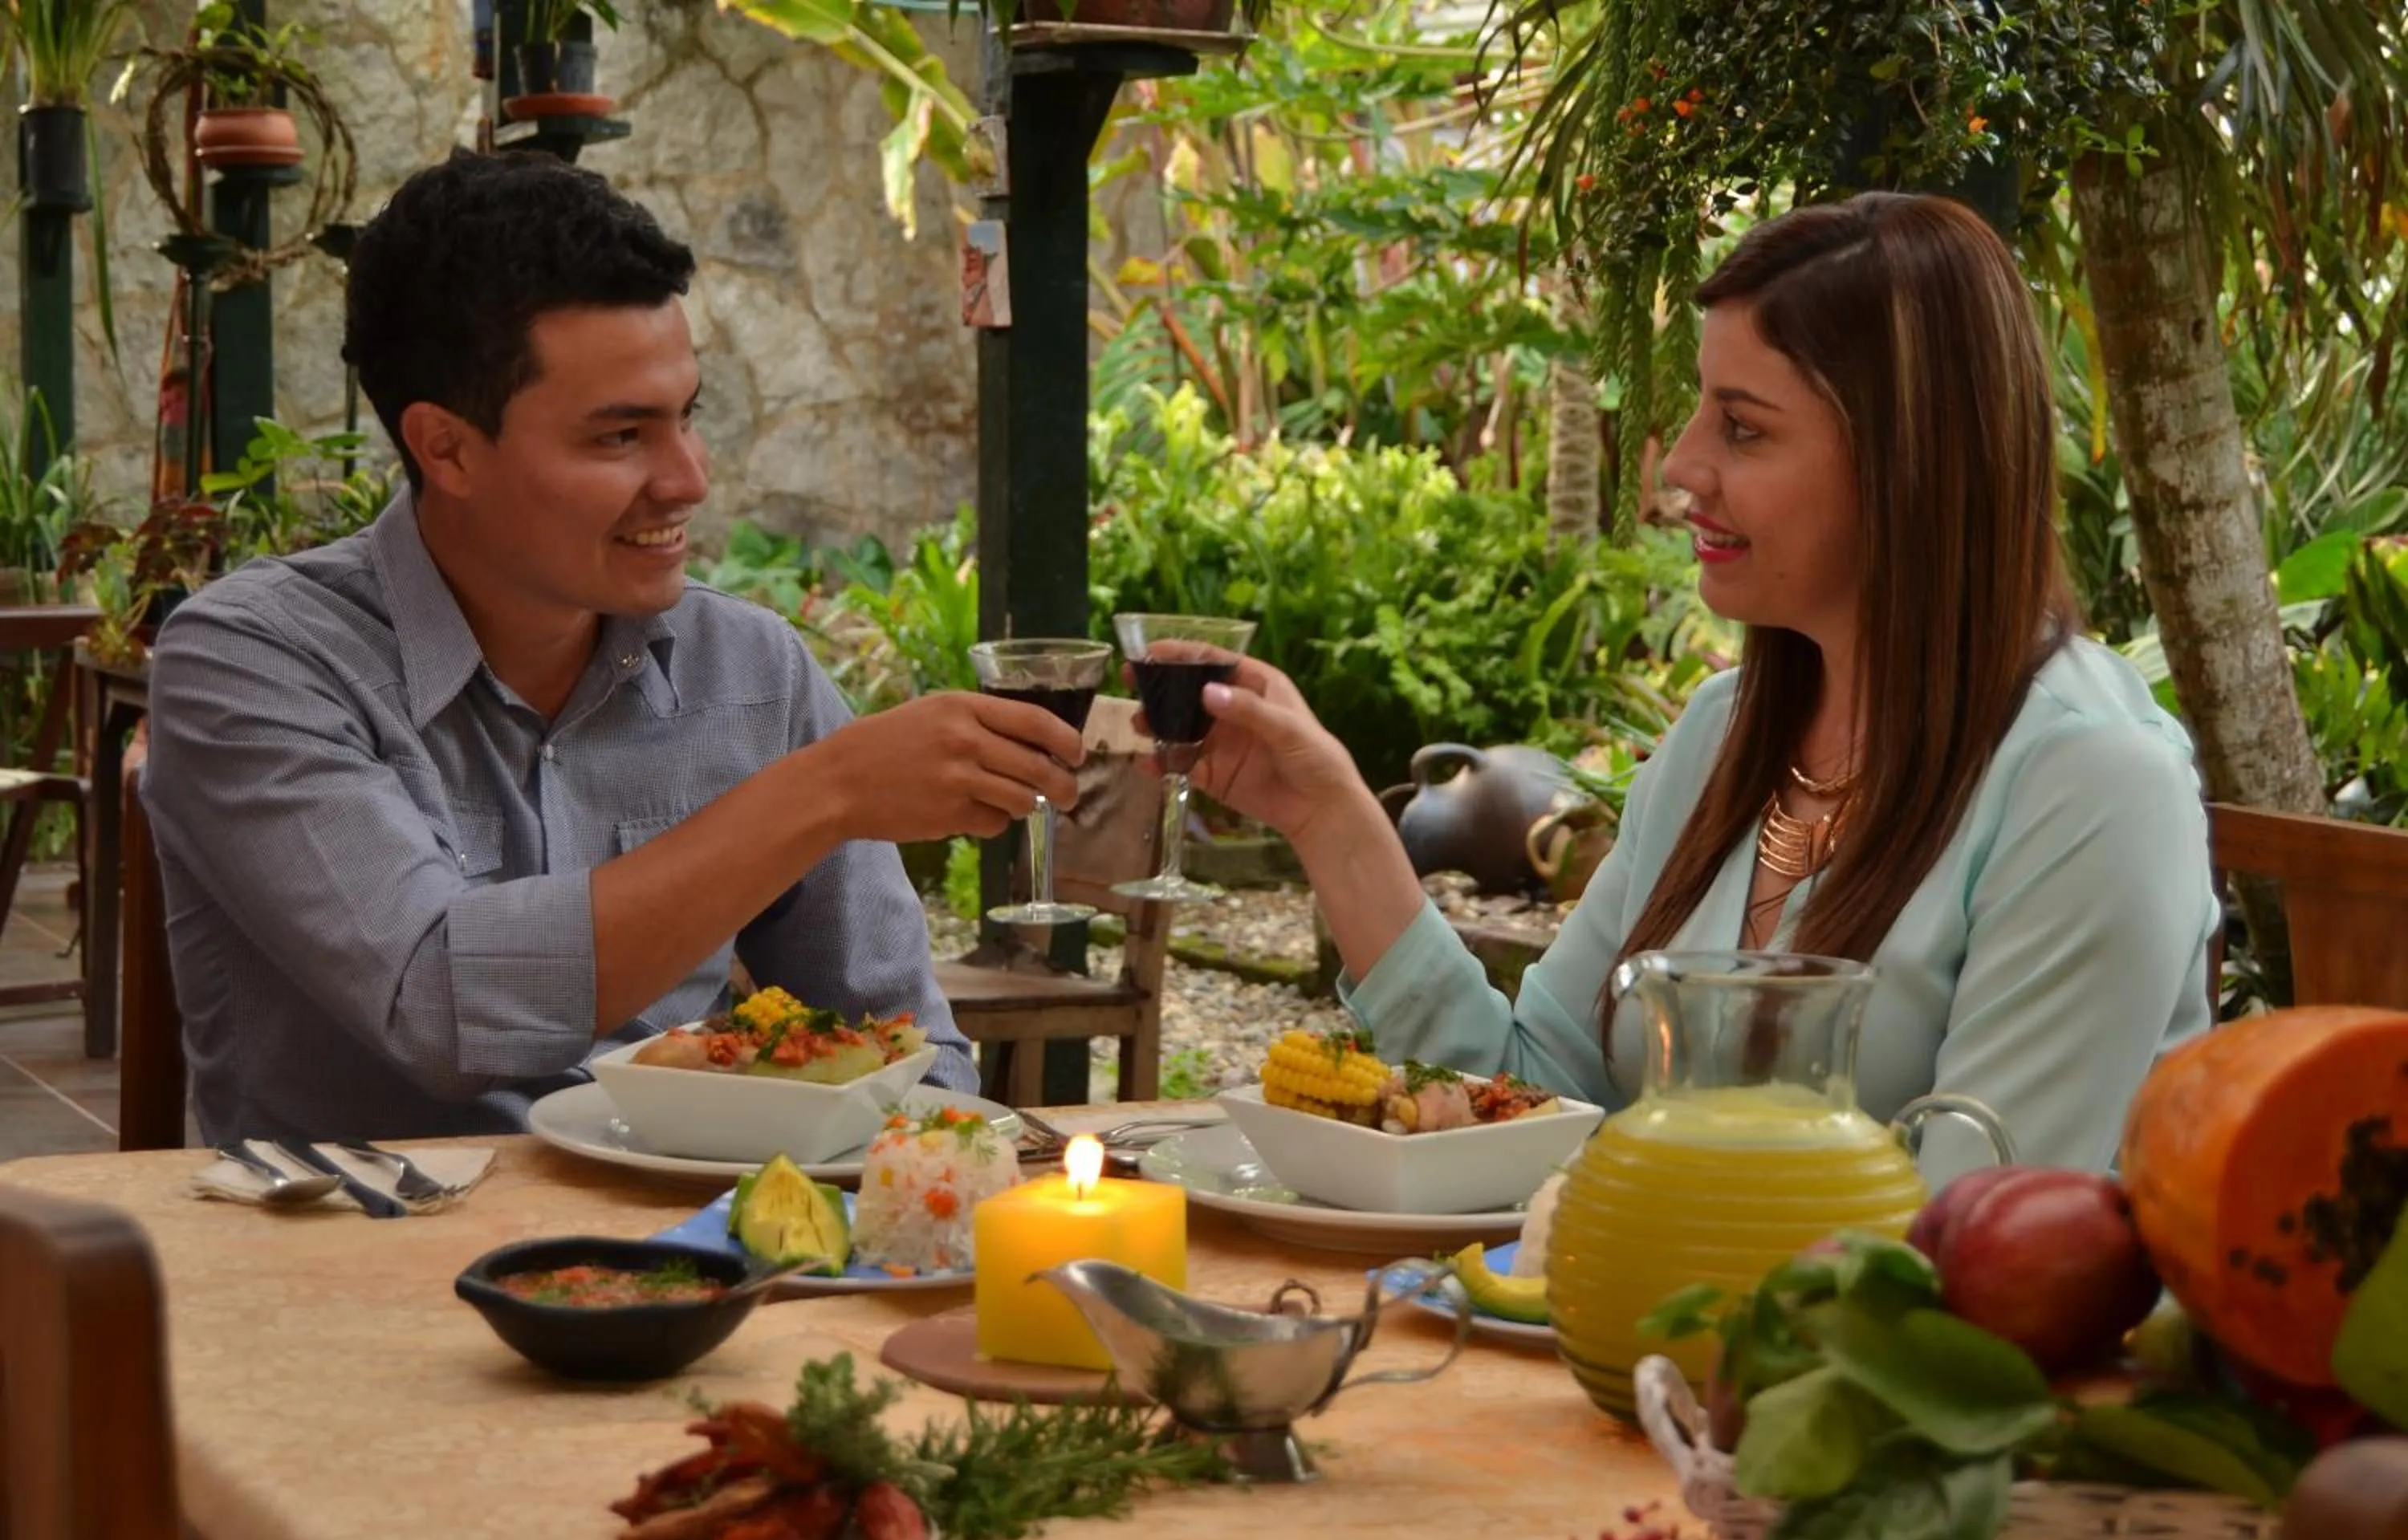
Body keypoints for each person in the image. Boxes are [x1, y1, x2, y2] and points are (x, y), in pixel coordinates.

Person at [1177, 193, 2218, 1172]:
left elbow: (1967, 1252)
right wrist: (1331, 819)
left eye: (1744, 427)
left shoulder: (2091, 787)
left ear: (1908, 460)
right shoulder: (1728, 737)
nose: (1678, 465)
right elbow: (1533, 1098)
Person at [144, 150, 1080, 1145]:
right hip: (354, 1263)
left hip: (702, 1262)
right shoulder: (254, 661)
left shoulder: (751, 673)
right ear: (445, 446)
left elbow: (905, 1050)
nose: (687, 480)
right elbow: (439, 1003)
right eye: (620, 436)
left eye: (687, 417)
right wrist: (824, 790)